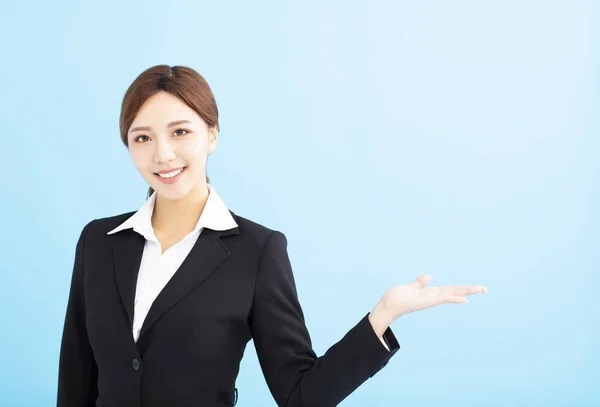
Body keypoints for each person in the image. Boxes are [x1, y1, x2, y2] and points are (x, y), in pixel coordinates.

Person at [56, 64, 487, 407]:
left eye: (180, 131)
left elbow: (300, 395)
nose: (162, 154)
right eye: (142, 138)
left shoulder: (257, 251)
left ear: (212, 134)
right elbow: (75, 380)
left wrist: (382, 317)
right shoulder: (99, 242)